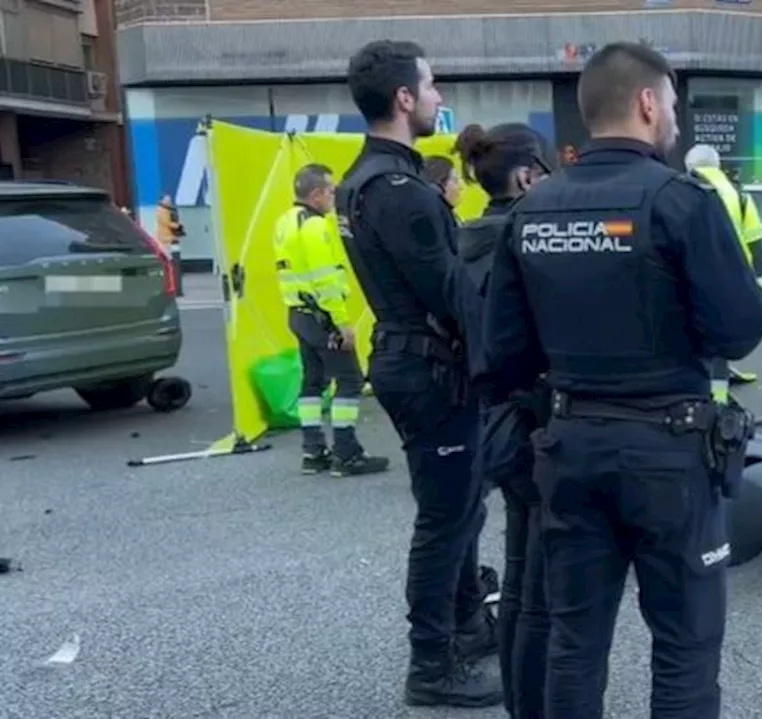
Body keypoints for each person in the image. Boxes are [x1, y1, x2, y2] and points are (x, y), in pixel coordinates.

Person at [479, 41, 762, 719]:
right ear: (646, 102)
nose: (674, 116)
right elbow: (739, 329)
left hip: (570, 448)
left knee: (574, 643)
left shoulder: (532, 210)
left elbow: (502, 356)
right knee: (685, 648)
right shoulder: (680, 200)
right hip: (669, 453)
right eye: (671, 102)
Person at [335, 40, 502, 708]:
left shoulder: (363, 179)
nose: (438, 97)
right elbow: (451, 294)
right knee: (444, 517)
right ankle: (431, 664)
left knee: (461, 505)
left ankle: (465, 623)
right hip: (430, 365)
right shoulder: (400, 190)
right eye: (431, 86)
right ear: (404, 99)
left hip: (412, 358)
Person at [452, 121, 555, 719]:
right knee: (541, 588)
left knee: (519, 579)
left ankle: (523, 702)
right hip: (529, 421)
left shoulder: (469, 240)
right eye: (542, 173)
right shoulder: (523, 242)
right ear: (524, 176)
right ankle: (538, 705)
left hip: (492, 420)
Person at [273, 164, 389, 477]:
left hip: (298, 313)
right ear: (317, 194)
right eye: (331, 191)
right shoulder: (315, 227)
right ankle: (347, 454)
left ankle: (313, 452)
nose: (334, 197)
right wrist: (341, 321)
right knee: (350, 380)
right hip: (323, 316)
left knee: (313, 382)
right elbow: (325, 279)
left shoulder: (285, 221)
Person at [684, 143, 762, 392]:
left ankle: (697, 385)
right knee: (720, 333)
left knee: (690, 332)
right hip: (733, 276)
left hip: (693, 274)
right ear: (717, 166)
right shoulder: (739, 194)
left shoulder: (683, 190)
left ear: (689, 167)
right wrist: (757, 280)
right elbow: (755, 239)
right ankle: (720, 395)